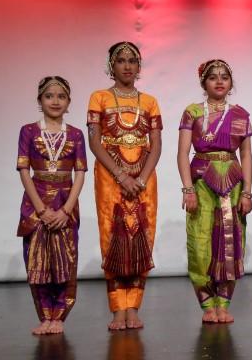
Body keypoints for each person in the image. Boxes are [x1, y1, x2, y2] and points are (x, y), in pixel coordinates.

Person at [87, 42, 162, 330]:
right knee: (112, 236)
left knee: (143, 235)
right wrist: (121, 176)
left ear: (139, 66)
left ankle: (134, 307)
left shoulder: (150, 101)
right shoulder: (99, 98)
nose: (127, 66)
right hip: (110, 177)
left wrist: (141, 178)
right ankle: (118, 308)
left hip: (144, 177)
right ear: (111, 66)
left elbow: (156, 144)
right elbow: (95, 141)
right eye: (121, 61)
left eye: (133, 61)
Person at [177, 59, 252, 323]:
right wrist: (188, 189)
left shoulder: (240, 114)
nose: (219, 81)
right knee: (201, 243)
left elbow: (246, 155)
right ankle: (207, 304)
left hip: (232, 184)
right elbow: (183, 153)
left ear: (231, 83)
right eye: (213, 77)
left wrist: (247, 193)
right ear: (203, 83)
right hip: (201, 182)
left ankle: (224, 303)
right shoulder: (193, 112)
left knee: (230, 243)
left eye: (224, 77)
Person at [17, 76, 87, 334]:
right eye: (49, 96)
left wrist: (66, 210)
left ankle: (59, 315)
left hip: (65, 202)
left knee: (65, 259)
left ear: (68, 101)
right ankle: (44, 314)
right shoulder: (29, 131)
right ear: (39, 100)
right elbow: (24, 171)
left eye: (61, 96)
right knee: (37, 260)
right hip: (36, 203)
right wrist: (42, 210)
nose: (55, 101)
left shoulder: (76, 134)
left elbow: (80, 174)